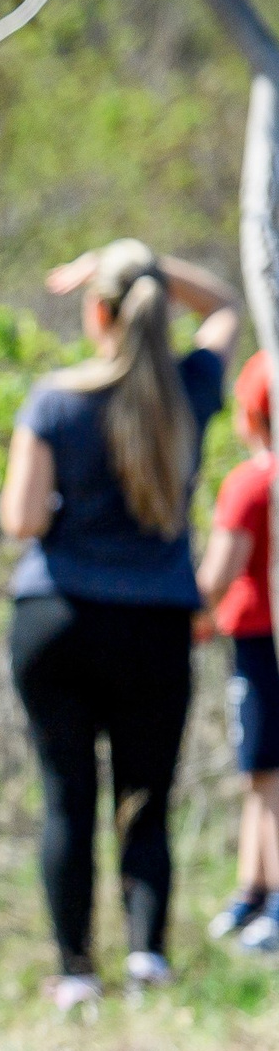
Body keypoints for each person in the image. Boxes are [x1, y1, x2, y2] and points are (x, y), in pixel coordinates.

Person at [0, 239, 241, 1010]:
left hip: (57, 617)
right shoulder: (192, 390)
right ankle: (147, 962)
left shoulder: (56, 399)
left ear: (96, 314)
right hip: (154, 626)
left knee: (68, 796)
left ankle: (75, 972)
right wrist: (143, 262)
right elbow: (227, 307)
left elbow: (23, 518)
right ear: (155, 310)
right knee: (145, 797)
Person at [200, 351, 279, 948]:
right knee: (258, 769)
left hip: (257, 639)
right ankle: (251, 888)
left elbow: (218, 574)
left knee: (267, 770)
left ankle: (274, 901)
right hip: (254, 638)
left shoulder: (252, 483)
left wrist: (188, 616)